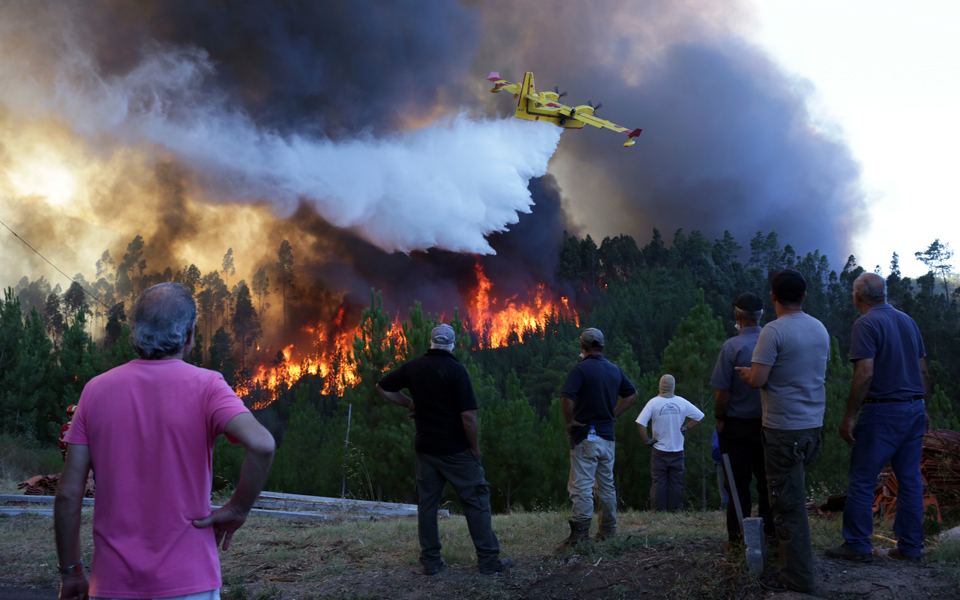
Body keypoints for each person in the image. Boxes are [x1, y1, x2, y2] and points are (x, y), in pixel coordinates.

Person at [55, 282, 275, 600]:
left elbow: (67, 495)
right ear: (189, 335)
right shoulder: (208, 386)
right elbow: (263, 444)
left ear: (134, 334)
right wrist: (238, 509)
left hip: (114, 584)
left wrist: (71, 571)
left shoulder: (95, 390)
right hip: (191, 582)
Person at [377, 324, 511, 576]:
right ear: (452, 344)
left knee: (427, 504)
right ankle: (489, 561)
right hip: (455, 449)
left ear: (431, 342)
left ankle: (431, 561)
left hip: (426, 448)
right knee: (476, 501)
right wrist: (474, 447)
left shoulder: (413, 366)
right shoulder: (457, 370)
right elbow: (469, 416)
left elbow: (383, 386)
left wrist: (410, 404)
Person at [825, 273, 930, 563]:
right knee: (910, 480)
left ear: (858, 296)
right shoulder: (908, 321)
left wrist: (848, 416)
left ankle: (857, 545)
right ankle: (910, 547)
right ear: (883, 294)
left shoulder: (866, 323)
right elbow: (922, 371)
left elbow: (865, 373)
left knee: (862, 479)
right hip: (913, 409)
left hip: (882, 411)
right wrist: (924, 406)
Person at [737, 269, 830, 594]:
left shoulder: (773, 332)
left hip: (783, 430)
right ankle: (792, 562)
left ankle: (797, 577)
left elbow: (760, 379)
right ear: (804, 295)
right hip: (812, 426)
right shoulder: (819, 328)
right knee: (793, 495)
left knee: (787, 505)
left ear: (773, 297)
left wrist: (747, 375)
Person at [560, 328, 637, 545]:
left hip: (585, 436)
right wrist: (613, 416)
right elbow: (631, 395)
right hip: (607, 438)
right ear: (602, 346)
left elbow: (567, 397)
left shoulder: (580, 370)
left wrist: (569, 422)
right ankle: (608, 532)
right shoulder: (614, 369)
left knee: (582, 486)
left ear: (582, 347)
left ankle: (580, 535)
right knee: (606, 486)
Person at [710, 292, 774, 549]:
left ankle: (738, 538)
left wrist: (719, 418)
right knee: (767, 482)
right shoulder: (774, 343)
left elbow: (722, 392)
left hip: (737, 427)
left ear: (737, 315)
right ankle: (770, 534)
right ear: (762, 315)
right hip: (770, 424)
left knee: (737, 485)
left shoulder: (732, 347)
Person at [636, 374, 704, 512]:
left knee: (659, 482)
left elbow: (641, 423)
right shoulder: (682, 402)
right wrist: (686, 427)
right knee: (676, 483)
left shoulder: (653, 402)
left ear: (660, 385)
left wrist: (646, 439)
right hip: (677, 450)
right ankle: (674, 511)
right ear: (673, 386)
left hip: (659, 450)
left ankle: (658, 512)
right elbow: (700, 417)